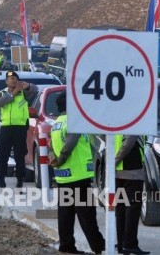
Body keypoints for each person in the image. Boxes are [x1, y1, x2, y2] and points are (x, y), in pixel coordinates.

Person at [50, 92, 105, 254]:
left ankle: (66, 246)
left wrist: (57, 162)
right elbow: (69, 145)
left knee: (65, 215)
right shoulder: (74, 122)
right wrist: (60, 160)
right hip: (78, 176)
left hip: (63, 176)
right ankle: (99, 246)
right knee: (87, 215)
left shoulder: (57, 123)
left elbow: (54, 146)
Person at [0, 71, 38, 194]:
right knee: (2, 156)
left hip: (20, 129)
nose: (13, 80)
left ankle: (19, 183)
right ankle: (0, 182)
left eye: (15, 78)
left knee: (20, 157)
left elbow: (35, 89)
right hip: (6, 129)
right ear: (6, 82)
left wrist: (27, 85)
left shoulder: (24, 93)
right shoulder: (2, 93)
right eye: (11, 78)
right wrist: (12, 93)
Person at [114, 135, 150, 255]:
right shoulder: (131, 119)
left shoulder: (113, 120)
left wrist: (112, 163)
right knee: (132, 208)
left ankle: (121, 244)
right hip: (132, 171)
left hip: (118, 172)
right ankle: (129, 244)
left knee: (121, 208)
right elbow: (128, 143)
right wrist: (115, 161)